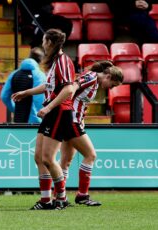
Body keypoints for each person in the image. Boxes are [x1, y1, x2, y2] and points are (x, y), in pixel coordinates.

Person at [12, 29, 75, 210]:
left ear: (50, 42)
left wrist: (48, 107)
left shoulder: (62, 61)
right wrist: (27, 92)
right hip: (52, 112)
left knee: (48, 158)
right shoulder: (56, 62)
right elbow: (50, 86)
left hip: (59, 112)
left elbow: (68, 89)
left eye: (44, 41)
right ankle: (46, 200)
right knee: (39, 157)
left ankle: (61, 197)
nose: (43, 45)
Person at [59, 61, 123, 206]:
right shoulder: (92, 77)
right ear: (108, 76)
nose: (111, 89)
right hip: (71, 120)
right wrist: (68, 111)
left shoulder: (93, 80)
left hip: (73, 120)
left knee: (66, 160)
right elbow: (72, 88)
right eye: (112, 85)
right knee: (90, 155)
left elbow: (79, 99)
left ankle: (60, 197)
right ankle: (82, 195)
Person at [1, 47, 46, 123]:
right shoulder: (40, 75)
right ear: (41, 60)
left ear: (29, 56)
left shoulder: (14, 74)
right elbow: (39, 99)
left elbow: (4, 96)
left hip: (18, 120)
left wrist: (15, 109)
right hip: (36, 122)